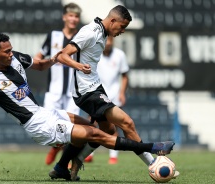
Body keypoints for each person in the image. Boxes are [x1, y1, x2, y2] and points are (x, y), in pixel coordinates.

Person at [0, 33, 175, 181]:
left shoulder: (16, 59)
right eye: (7, 51)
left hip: (45, 112)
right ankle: (153, 148)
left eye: (12, 49)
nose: (12, 53)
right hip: (36, 124)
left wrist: (54, 59)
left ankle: (62, 168)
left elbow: (39, 65)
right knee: (96, 134)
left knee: (103, 130)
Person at [51, 5, 179, 181]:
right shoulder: (90, 32)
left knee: (106, 130)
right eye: (122, 26)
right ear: (112, 21)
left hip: (95, 88)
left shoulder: (103, 32)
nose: (123, 31)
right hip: (86, 92)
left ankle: (65, 165)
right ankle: (153, 164)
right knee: (127, 123)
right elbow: (62, 55)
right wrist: (79, 66)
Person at [34, 2, 82, 165]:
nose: (73, 19)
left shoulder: (81, 37)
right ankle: (56, 147)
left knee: (71, 125)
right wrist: (47, 61)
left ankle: (67, 159)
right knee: (50, 124)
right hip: (53, 90)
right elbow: (39, 56)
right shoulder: (53, 36)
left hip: (73, 90)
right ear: (64, 17)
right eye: (70, 15)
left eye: (76, 16)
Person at [84, 35, 129, 164]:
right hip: (97, 94)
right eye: (106, 40)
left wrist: (122, 92)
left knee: (115, 124)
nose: (108, 43)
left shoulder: (120, 55)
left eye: (110, 40)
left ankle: (113, 155)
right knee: (92, 123)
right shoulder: (95, 55)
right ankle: (89, 154)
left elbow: (125, 76)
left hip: (114, 94)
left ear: (113, 41)